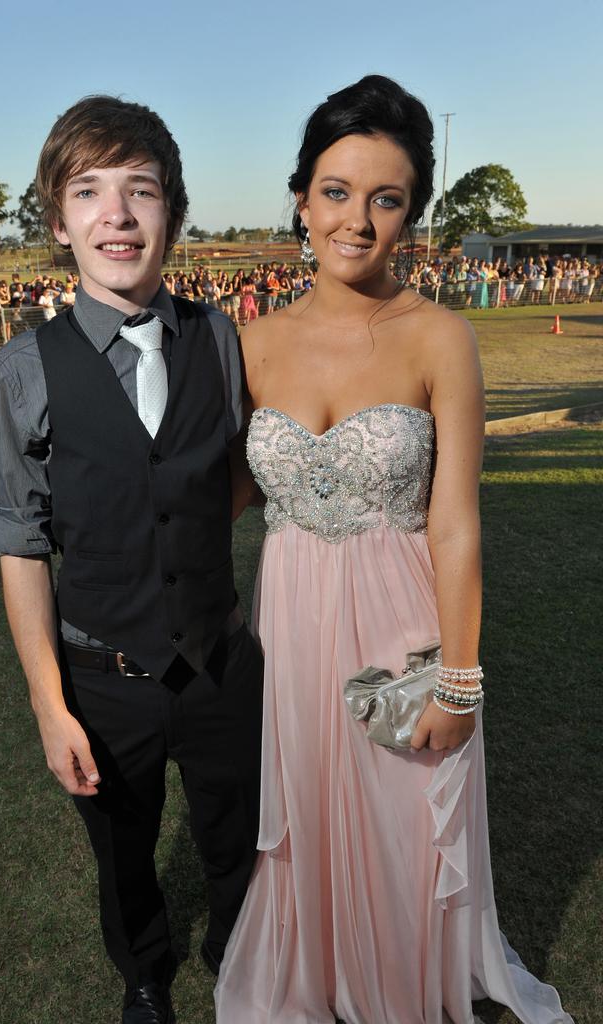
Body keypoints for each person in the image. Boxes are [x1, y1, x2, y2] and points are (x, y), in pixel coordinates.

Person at [215, 75, 573, 1024]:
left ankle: (401, 985)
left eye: (387, 199)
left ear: (412, 211)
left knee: (400, 823)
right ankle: (318, 971)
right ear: (301, 198)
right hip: (289, 618)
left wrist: (460, 681)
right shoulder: (247, 343)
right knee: (311, 816)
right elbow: (236, 487)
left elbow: (455, 521)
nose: (358, 221)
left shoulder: (442, 339)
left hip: (401, 614)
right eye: (337, 192)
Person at [0, 95, 263, 1024]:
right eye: (89, 192)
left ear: (172, 215)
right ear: (59, 223)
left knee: (237, 831)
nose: (118, 214)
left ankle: (238, 950)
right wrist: (47, 701)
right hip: (101, 671)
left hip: (221, 660)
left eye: (141, 191)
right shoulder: (21, 368)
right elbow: (22, 540)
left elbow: (233, 475)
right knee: (124, 848)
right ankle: (144, 972)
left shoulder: (220, 339)